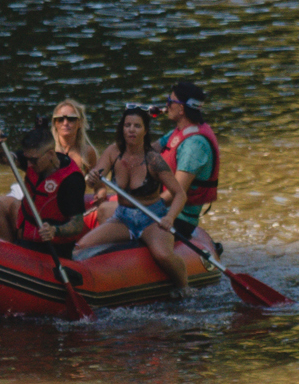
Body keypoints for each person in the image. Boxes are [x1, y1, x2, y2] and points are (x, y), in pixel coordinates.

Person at [75, 105, 188, 288]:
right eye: (127, 125)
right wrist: (91, 178)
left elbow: (180, 195)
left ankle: (185, 288)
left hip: (152, 218)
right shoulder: (113, 152)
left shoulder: (154, 160)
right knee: (81, 247)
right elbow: (93, 179)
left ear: (145, 130)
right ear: (122, 128)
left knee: (163, 255)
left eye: (137, 126)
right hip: (123, 217)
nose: (131, 130)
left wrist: (170, 217)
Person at [0, 124, 90, 248]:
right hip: (27, 231)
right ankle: (3, 252)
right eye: (27, 159)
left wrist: (54, 230)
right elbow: (0, 159)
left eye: (33, 160)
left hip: (51, 244)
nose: (29, 164)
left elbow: (77, 224)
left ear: (50, 154)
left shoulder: (71, 180)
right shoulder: (32, 157)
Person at [158, 80, 220, 239]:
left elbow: (175, 193)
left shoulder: (194, 145)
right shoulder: (181, 131)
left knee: (108, 211)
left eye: (170, 101)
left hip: (178, 219)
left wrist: (143, 206)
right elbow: (149, 150)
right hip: (161, 206)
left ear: (181, 109)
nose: (166, 105)